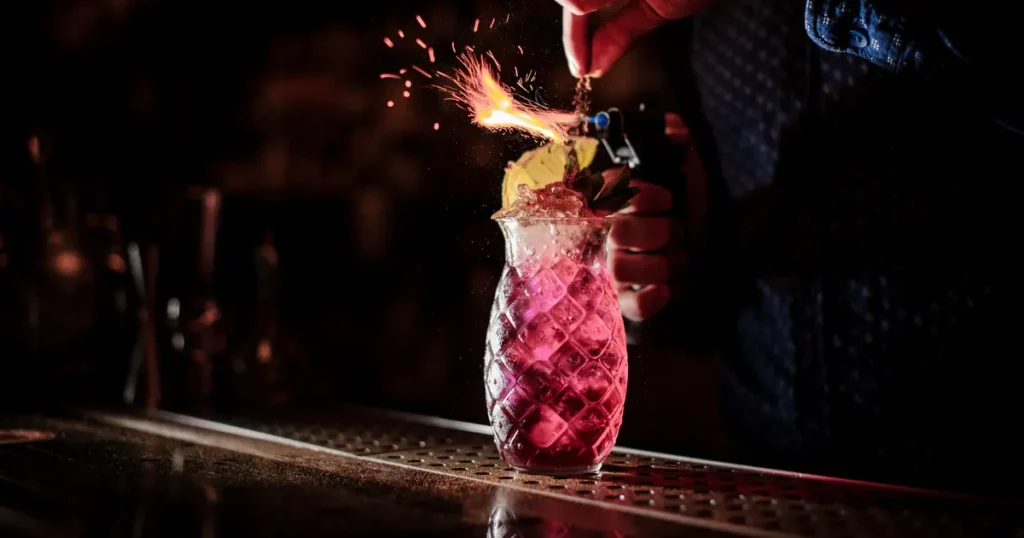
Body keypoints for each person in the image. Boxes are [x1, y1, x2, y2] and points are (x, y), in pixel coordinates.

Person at [556, 0, 1022, 493]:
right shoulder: (693, 20)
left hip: (984, 466)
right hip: (768, 470)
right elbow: (711, 289)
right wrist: (660, 260)